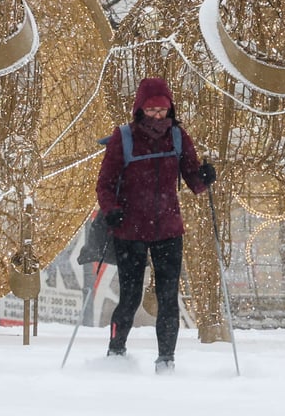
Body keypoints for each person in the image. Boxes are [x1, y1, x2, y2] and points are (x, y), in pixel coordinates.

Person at [95, 77, 216, 374]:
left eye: (162, 110)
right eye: (151, 110)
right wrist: (111, 211)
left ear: (170, 109)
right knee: (130, 297)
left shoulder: (177, 137)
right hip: (130, 230)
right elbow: (105, 184)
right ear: (139, 109)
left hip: (168, 231)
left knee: (167, 297)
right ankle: (116, 351)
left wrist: (205, 176)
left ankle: (166, 360)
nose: (157, 116)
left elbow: (193, 181)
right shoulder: (124, 138)